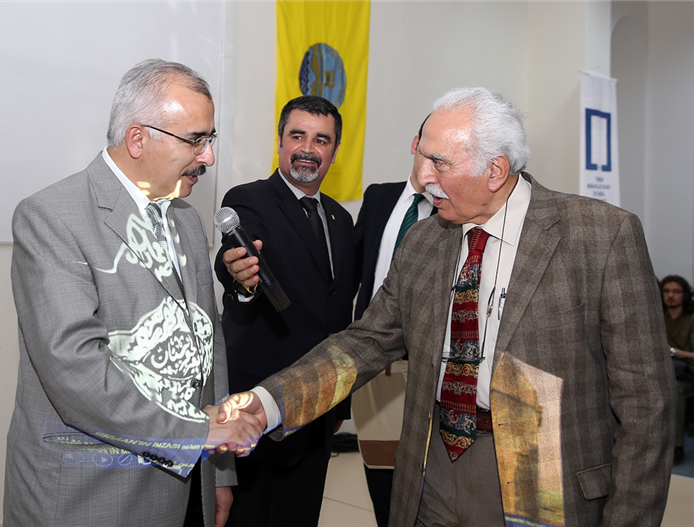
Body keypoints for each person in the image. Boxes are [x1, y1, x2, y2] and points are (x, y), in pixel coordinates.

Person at [219, 87, 676, 527]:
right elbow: (365, 343)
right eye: (423, 157)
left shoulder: (599, 237)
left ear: (495, 170)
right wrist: (267, 403)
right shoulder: (424, 241)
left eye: (438, 162)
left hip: (544, 482)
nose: (423, 177)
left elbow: (646, 406)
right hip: (431, 470)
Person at [4, 59, 262, 527]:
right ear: (138, 139)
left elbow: (209, 346)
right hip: (91, 495)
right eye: (195, 140)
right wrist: (197, 433)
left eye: (210, 139)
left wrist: (220, 472)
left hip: (186, 482)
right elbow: (75, 371)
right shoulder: (51, 217)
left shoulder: (185, 219)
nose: (208, 157)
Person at [214, 95, 355, 526]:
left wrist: (340, 406)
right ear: (280, 141)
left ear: (334, 151)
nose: (308, 149)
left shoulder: (341, 220)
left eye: (321, 140)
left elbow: (339, 315)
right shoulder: (250, 199)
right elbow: (238, 254)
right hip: (256, 404)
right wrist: (239, 273)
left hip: (316, 407)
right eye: (298, 136)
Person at [350, 117, 434, 527]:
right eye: (429, 151)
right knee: (380, 470)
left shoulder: (452, 212)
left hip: (424, 367)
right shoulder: (379, 197)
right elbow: (353, 271)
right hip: (375, 365)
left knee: (423, 480)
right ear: (415, 143)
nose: (434, 165)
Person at [660, 275, 694, 465]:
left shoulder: (691, 319)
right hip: (660, 371)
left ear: (685, 295)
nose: (671, 296)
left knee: (674, 388)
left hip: (687, 374)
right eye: (667, 291)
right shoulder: (657, 317)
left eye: (676, 291)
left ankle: (676, 446)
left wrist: (673, 351)